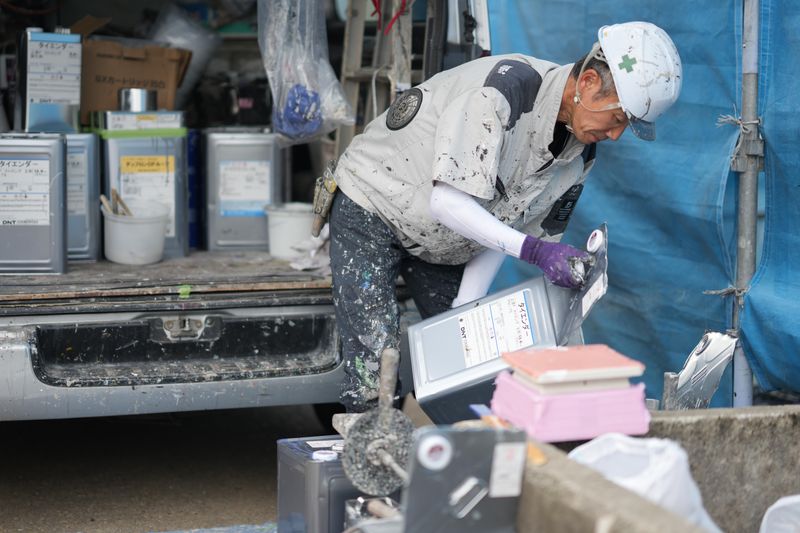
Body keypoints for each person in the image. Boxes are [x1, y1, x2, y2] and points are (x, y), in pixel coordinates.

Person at [329, 21, 682, 412]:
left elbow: (507, 224)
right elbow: (447, 201)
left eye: (625, 127)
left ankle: (460, 444)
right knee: (376, 372)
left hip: (444, 239)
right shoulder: (504, 91)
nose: (616, 135)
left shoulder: (579, 156)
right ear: (588, 83)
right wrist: (535, 252)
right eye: (617, 120)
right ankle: (371, 436)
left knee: (468, 362)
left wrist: (465, 306)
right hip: (375, 202)